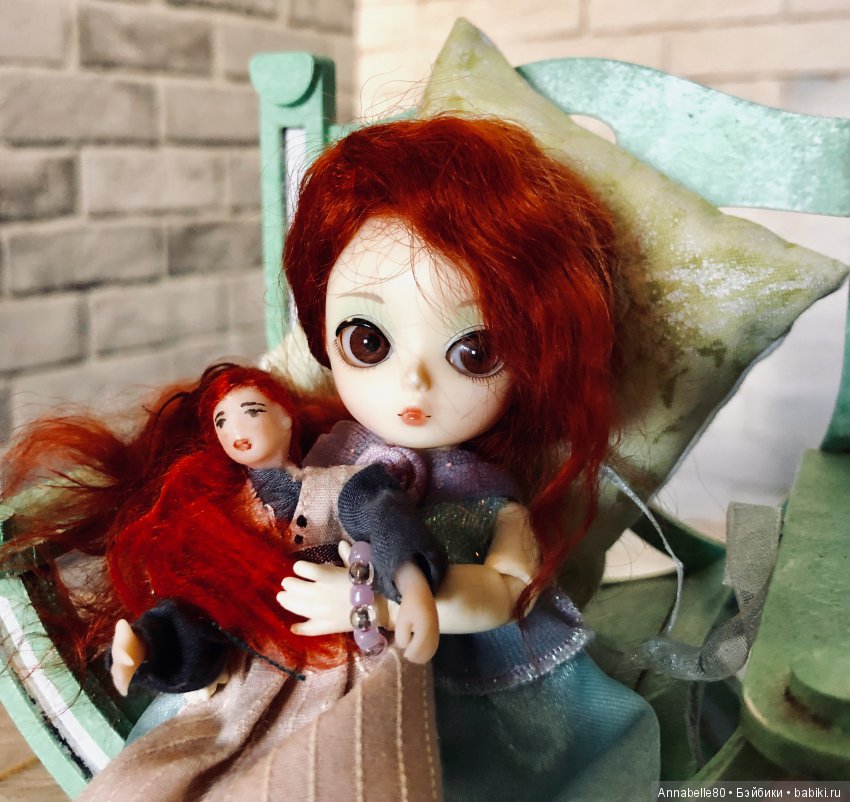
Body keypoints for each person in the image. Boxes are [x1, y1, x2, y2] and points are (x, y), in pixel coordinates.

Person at [272, 115, 661, 802]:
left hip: (461, 704)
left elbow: (506, 594)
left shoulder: (486, 493)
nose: (415, 385)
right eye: (368, 340)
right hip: (313, 675)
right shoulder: (325, 455)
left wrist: (371, 605)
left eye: (474, 353)